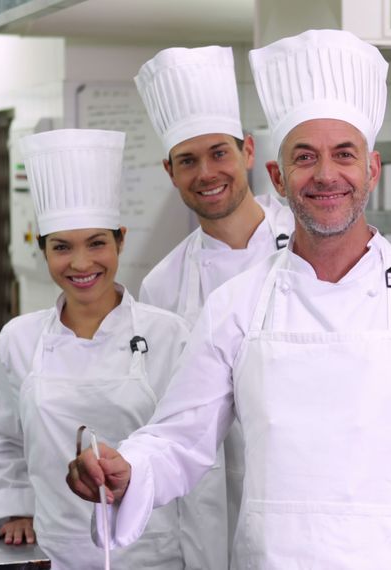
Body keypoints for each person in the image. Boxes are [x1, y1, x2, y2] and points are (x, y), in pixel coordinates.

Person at [67, 29, 391, 569]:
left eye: (344, 155)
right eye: (305, 158)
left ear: (371, 170)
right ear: (278, 177)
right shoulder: (236, 305)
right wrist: (131, 467)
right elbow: (179, 439)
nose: (326, 175)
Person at [0, 129, 191, 569]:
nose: (80, 263)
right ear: (43, 249)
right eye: (61, 247)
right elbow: (2, 438)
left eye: (97, 242)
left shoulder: (169, 335)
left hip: (153, 550)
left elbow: (187, 444)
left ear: (120, 241)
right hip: (56, 547)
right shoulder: (19, 338)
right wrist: (16, 504)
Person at [134, 45, 294, 569]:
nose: (206, 172)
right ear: (170, 170)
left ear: (248, 151)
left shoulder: (306, 248)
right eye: (188, 160)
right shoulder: (161, 285)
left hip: (297, 488)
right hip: (205, 500)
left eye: (219, 153)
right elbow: (166, 417)